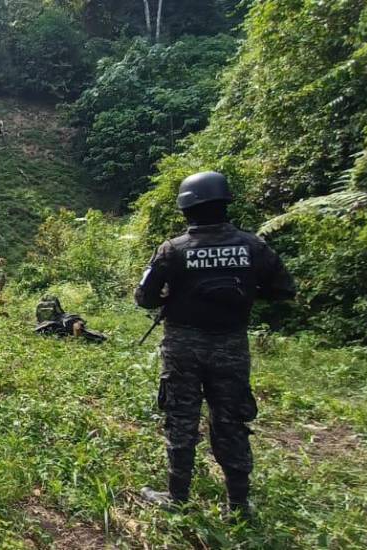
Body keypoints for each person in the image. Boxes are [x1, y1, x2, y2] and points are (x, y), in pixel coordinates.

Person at [135, 171, 296, 519]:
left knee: (181, 417)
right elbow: (284, 289)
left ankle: (178, 497)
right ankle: (238, 505)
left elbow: (144, 298)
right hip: (231, 346)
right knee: (231, 420)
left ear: (186, 208)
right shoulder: (253, 246)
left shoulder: (173, 250)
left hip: (182, 347)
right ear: (224, 204)